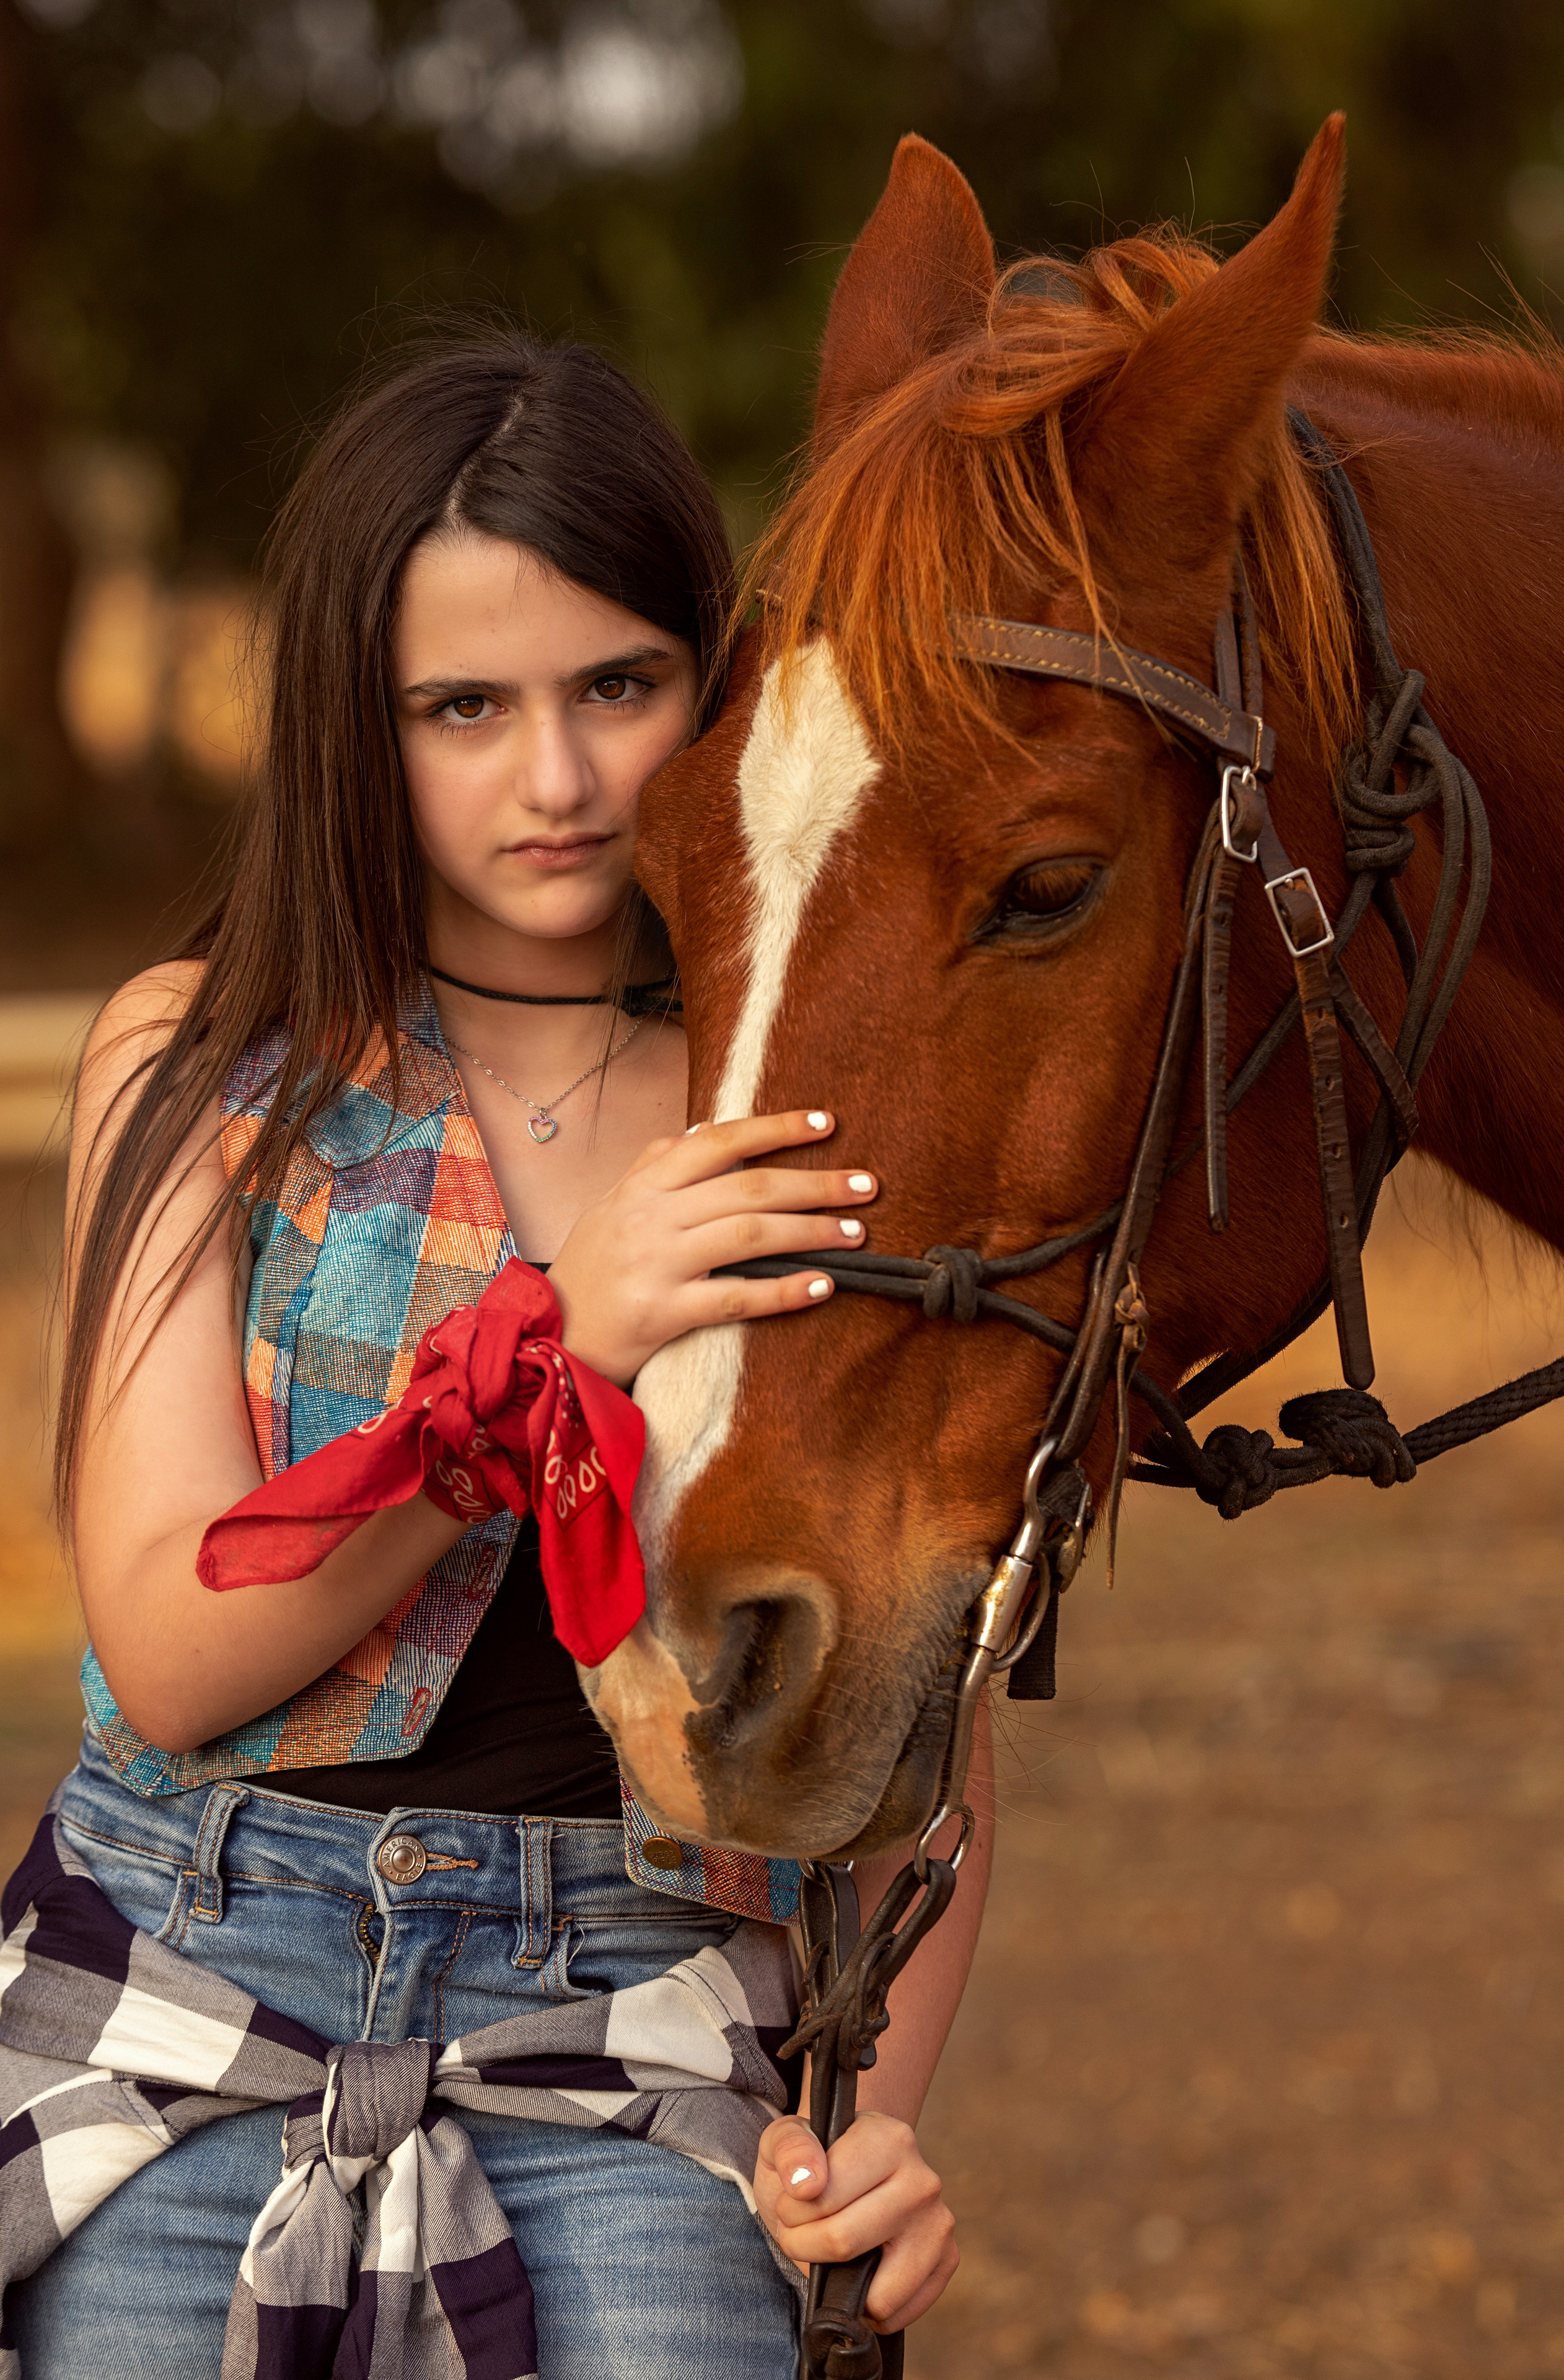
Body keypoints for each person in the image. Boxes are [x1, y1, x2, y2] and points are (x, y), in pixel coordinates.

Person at [2, 335, 991, 2378]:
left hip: (643, 2003)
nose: (555, 781)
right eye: (463, 708)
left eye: (616, 688)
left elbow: (926, 1736)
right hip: (192, 1967)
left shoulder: (801, 1109)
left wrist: (868, 2122)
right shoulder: (201, 1067)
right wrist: (560, 1345)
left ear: (710, 690)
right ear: (356, 734)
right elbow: (175, 1646)